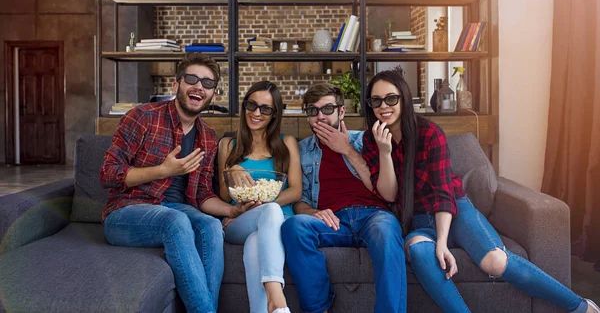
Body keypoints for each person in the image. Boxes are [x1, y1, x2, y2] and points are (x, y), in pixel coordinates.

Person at [361, 68, 600, 313]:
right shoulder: (371, 140)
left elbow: (444, 193)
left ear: (404, 98)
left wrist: (441, 243)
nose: (383, 106)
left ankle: (581, 307)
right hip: (417, 221)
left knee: (495, 262)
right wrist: (385, 151)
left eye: (391, 98)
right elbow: (389, 195)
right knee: (419, 253)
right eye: (376, 100)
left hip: (455, 210)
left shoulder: (430, 134)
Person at [100, 53, 255, 313]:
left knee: (209, 225)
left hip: (177, 209)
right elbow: (107, 173)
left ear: (213, 94)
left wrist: (232, 210)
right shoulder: (143, 117)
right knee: (176, 221)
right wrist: (162, 171)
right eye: (191, 79)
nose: (199, 87)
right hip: (126, 212)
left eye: (207, 83)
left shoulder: (207, 135)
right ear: (176, 85)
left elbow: (203, 194)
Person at [281, 83, 407, 313]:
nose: (320, 117)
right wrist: (312, 212)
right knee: (294, 226)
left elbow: (387, 192)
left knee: (387, 231)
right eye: (313, 111)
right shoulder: (300, 150)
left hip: (374, 216)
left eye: (327, 109)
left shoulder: (367, 140)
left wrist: (346, 149)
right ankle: (318, 309)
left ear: (341, 112)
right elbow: (299, 198)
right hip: (333, 221)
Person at [217, 81, 302, 313]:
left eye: (265, 109)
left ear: (275, 115)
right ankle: (277, 297)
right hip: (240, 220)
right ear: (244, 106)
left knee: (257, 240)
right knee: (269, 212)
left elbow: (295, 191)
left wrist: (263, 204)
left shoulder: (287, 144)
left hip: (278, 222)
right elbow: (225, 197)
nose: (256, 113)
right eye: (252, 105)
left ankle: (270, 308)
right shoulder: (228, 145)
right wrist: (232, 168)